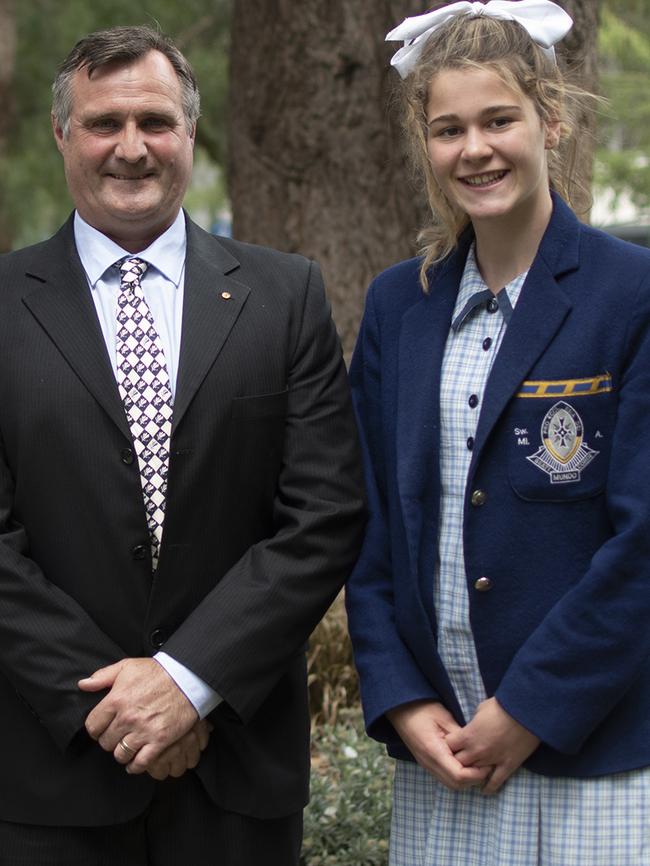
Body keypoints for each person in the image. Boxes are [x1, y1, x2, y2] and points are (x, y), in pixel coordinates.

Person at [0, 25, 365, 865]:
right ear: (63, 134)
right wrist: (117, 704)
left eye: (156, 121)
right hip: (46, 777)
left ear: (190, 135)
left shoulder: (285, 296)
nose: (132, 147)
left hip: (233, 771)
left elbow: (325, 513)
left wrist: (188, 684)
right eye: (104, 123)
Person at [346, 1, 650, 864]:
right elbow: (367, 526)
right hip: (443, 756)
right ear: (426, 146)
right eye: (448, 129)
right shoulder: (398, 305)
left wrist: (526, 712)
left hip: (595, 752)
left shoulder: (630, 296)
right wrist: (402, 700)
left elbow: (643, 544)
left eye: (498, 120)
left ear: (550, 121)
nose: (474, 148)